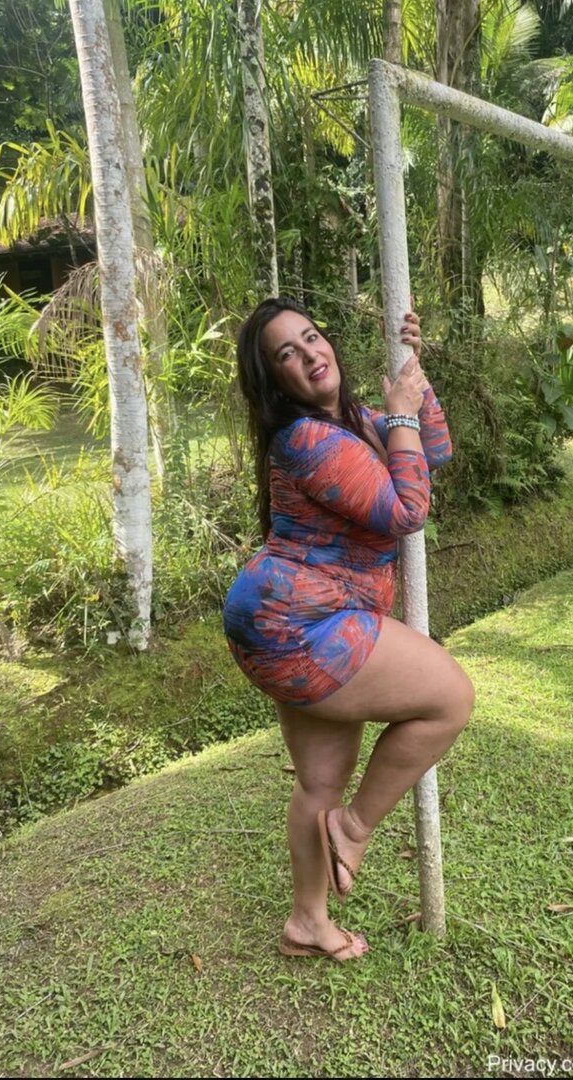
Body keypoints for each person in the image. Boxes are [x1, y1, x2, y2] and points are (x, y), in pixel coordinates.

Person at [224, 297, 474, 962]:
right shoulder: (307, 439)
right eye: (287, 353)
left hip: (286, 618)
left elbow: (433, 451)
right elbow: (406, 510)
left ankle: (306, 922)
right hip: (300, 624)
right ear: (275, 379)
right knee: (450, 699)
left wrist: (413, 379)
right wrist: (400, 415)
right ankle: (354, 828)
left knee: (318, 781)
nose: (309, 354)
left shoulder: (355, 420)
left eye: (311, 337)